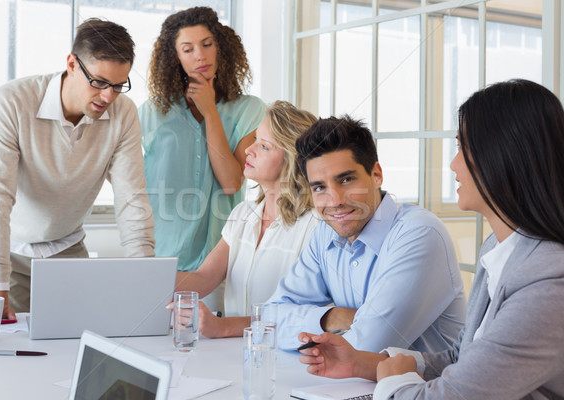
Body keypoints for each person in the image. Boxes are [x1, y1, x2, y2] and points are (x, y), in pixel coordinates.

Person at [298, 79, 564, 399]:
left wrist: (392, 384)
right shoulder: (498, 249)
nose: (453, 164)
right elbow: (462, 359)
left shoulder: (548, 282)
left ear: (504, 154)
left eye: (463, 147)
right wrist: (363, 363)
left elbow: (455, 394)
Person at [0, 19, 155, 324]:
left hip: (68, 251)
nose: (109, 97)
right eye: (99, 82)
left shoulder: (124, 113)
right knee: (7, 353)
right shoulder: (13, 102)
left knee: (75, 342)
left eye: (119, 85)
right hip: (10, 253)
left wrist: (145, 278)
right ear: (72, 64)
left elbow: (132, 198)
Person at [267, 116, 467, 353]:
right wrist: (332, 317)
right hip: (352, 388)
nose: (336, 201)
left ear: (376, 175)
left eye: (346, 180)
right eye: (320, 187)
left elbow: (365, 348)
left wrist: (327, 330)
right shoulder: (324, 235)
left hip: (425, 387)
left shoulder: (419, 234)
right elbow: (269, 320)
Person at [172, 101, 319, 338]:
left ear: (293, 160)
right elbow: (204, 277)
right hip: (235, 353)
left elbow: (303, 314)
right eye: (254, 140)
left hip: (285, 359)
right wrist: (147, 281)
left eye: (264, 146)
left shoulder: (314, 226)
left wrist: (224, 327)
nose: (249, 150)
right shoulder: (243, 214)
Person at [140, 7, 266, 278]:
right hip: (161, 256)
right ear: (175, 57)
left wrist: (209, 110)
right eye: (188, 49)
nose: (200, 54)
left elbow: (232, 182)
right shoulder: (150, 113)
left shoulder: (249, 109)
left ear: (220, 47)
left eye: (207, 44)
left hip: (221, 259)